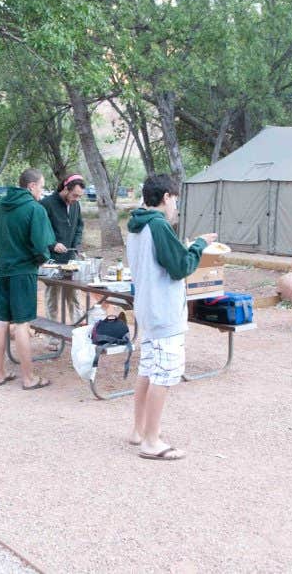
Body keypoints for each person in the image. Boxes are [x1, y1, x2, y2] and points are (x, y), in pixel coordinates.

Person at [125, 174, 216, 461]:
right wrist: (200, 245)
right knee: (163, 375)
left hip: (147, 308)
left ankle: (139, 430)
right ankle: (151, 441)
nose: (175, 205)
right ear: (166, 197)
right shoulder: (159, 225)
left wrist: (186, 247)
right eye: (175, 199)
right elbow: (180, 267)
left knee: (147, 370)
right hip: (163, 311)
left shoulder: (136, 225)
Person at [0, 168, 56, 390]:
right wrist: (39, 260)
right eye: (41, 186)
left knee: (1, 321)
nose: (42, 191)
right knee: (21, 324)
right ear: (31, 186)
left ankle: (0, 373)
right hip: (23, 272)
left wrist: (6, 258)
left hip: (3, 270)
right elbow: (41, 245)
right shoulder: (34, 209)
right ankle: (28, 378)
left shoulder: (0, 206)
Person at [40, 174, 85, 336]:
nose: (76, 199)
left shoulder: (75, 205)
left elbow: (79, 226)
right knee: (53, 300)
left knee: (74, 298)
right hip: (52, 261)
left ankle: (78, 334)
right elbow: (39, 230)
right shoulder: (46, 204)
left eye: (79, 196)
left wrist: (77, 244)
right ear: (66, 188)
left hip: (70, 261)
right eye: (75, 195)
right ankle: (52, 337)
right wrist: (52, 244)